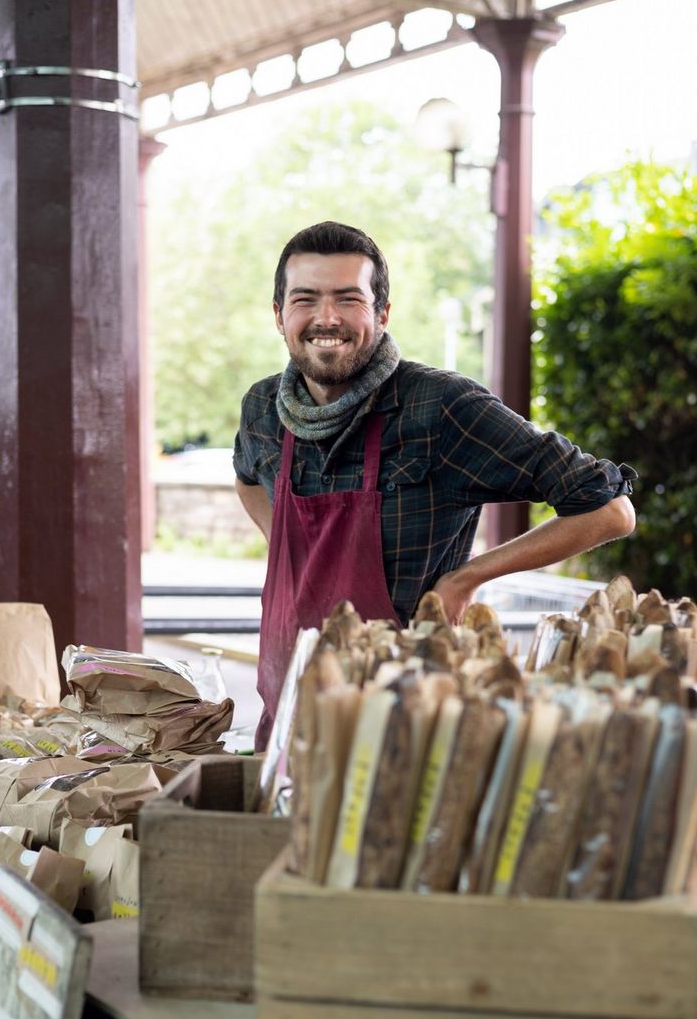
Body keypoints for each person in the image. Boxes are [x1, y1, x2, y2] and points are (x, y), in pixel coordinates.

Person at [234, 221, 637, 749]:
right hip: (288, 723)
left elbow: (610, 510)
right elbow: (247, 479)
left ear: (381, 313)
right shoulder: (263, 409)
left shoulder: (441, 407)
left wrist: (465, 579)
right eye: (305, 299)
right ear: (279, 314)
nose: (325, 318)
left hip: (408, 728)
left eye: (348, 299)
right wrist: (289, 552)